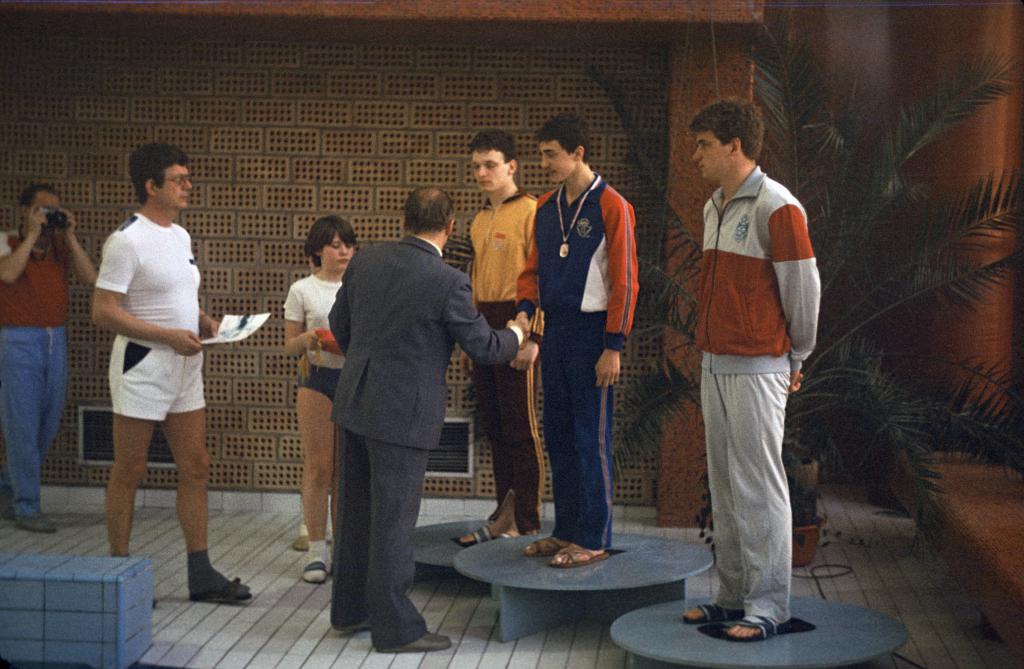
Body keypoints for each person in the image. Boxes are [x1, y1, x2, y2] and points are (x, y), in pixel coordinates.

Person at [329, 187, 527, 653]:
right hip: (402, 415)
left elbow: (340, 325)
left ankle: (350, 611)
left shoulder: (366, 261)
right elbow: (484, 347)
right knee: (394, 523)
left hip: (355, 402)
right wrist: (518, 334)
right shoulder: (448, 281)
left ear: (405, 219)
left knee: (355, 517)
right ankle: (396, 629)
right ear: (450, 226)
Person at [682, 98, 820, 641]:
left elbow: (803, 289)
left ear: (734, 145)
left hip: (759, 365)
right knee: (726, 486)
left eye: (704, 145)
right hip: (715, 363)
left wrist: (798, 356)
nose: (696, 156)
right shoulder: (714, 205)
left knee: (759, 487)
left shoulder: (777, 206)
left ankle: (768, 607)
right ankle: (733, 596)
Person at [92, 143, 251, 605]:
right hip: (143, 364)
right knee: (130, 467)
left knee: (196, 465)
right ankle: (120, 573)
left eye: (187, 177)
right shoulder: (126, 240)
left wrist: (204, 321)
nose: (188, 186)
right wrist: (166, 335)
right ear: (151, 186)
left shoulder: (179, 235)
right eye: (179, 179)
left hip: (185, 364)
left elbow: (175, 294)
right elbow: (103, 311)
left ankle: (200, 573)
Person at [516, 113, 639, 568]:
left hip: (593, 336)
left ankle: (593, 536)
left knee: (590, 438)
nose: (544, 163)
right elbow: (533, 269)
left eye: (551, 154)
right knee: (559, 436)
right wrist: (525, 311)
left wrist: (613, 346)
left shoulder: (613, 206)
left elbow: (626, 281)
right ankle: (565, 529)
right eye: (542, 154)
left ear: (578, 153)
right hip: (556, 333)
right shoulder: (546, 207)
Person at [457, 130, 544, 546]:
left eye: (490, 164)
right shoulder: (479, 220)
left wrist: (534, 337)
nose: (481, 173)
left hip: (518, 321)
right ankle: (502, 515)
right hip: (484, 324)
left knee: (520, 427)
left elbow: (542, 277)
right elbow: (476, 282)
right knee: (494, 425)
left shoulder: (532, 211)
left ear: (512, 166)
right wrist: (468, 338)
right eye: (476, 166)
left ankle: (526, 520)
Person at [0, 184, 97, 533]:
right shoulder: (6, 241)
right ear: (24, 210)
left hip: (55, 339)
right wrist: (30, 235)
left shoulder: (58, 247)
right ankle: (27, 506)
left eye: (54, 210)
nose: (48, 216)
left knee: (49, 422)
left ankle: (8, 485)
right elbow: (8, 273)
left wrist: (68, 235)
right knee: (22, 426)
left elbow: (91, 278)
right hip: (17, 339)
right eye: (42, 209)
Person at [283, 215, 356, 583]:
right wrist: (309, 338)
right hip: (317, 379)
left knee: (345, 470)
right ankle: (316, 549)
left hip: (352, 379)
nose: (343, 252)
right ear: (317, 250)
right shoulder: (302, 290)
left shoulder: (359, 287)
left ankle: (344, 549)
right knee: (319, 467)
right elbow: (289, 344)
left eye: (348, 245)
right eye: (335, 245)